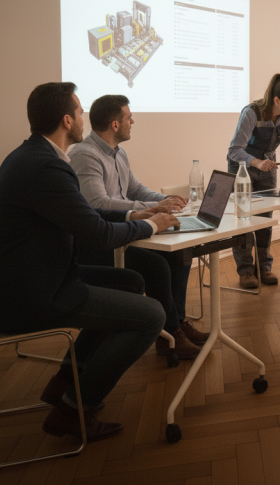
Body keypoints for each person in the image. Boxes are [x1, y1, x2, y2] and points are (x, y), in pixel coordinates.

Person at [0, 82, 179, 442]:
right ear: (67, 120)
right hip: (25, 295)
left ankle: (67, 378)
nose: (84, 117)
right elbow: (95, 233)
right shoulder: (46, 167)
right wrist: (149, 224)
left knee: (130, 281)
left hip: (27, 277)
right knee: (152, 316)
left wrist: (138, 217)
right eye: (80, 112)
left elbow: (87, 218)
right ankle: (72, 410)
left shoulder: (33, 156)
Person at [68, 95, 207, 360]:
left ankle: (176, 323)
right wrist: (152, 209)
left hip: (122, 233)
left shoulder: (118, 153)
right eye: (129, 117)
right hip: (99, 243)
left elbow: (134, 188)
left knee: (179, 254)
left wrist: (163, 200)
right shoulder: (85, 155)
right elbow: (98, 202)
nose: (133, 121)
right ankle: (170, 334)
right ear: (115, 124)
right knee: (157, 264)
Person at [228, 74, 280, 289]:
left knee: (264, 220)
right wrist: (256, 162)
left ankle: (264, 267)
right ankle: (245, 271)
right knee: (243, 220)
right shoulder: (251, 112)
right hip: (242, 168)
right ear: (276, 100)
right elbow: (235, 150)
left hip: (267, 167)